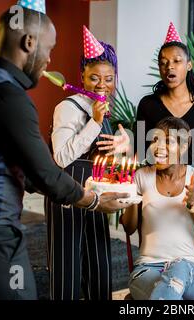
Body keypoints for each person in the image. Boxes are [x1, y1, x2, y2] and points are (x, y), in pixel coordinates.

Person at [0, 4, 129, 300]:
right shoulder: (10, 96)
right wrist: (93, 200)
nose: (50, 58)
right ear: (30, 43)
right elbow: (46, 172)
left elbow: (24, 169)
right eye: (48, 47)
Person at [98, 22, 194, 170]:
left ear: (189, 65)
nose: (169, 66)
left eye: (177, 61)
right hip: (151, 185)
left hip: (186, 187)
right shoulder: (148, 104)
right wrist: (126, 148)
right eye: (163, 63)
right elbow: (140, 153)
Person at [44, 26, 121, 300]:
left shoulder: (104, 110)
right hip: (68, 189)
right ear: (82, 77)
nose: (102, 85)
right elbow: (61, 157)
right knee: (67, 267)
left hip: (98, 192)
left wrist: (121, 146)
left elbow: (105, 154)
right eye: (94, 78)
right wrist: (95, 123)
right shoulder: (68, 107)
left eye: (109, 78)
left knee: (99, 263)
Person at [121, 117, 194, 300]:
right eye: (155, 140)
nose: (159, 147)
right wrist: (132, 194)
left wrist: (193, 204)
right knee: (170, 291)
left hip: (188, 269)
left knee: (177, 270)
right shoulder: (141, 177)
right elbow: (129, 227)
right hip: (147, 268)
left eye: (168, 141)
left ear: (184, 147)